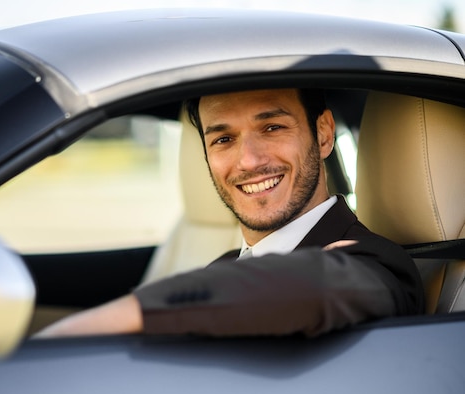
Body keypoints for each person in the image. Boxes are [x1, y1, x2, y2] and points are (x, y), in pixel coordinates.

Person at [34, 88, 424, 339]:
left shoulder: (376, 261)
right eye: (223, 139)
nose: (249, 160)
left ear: (323, 134)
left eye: (271, 127)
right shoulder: (222, 264)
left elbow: (317, 285)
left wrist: (90, 327)